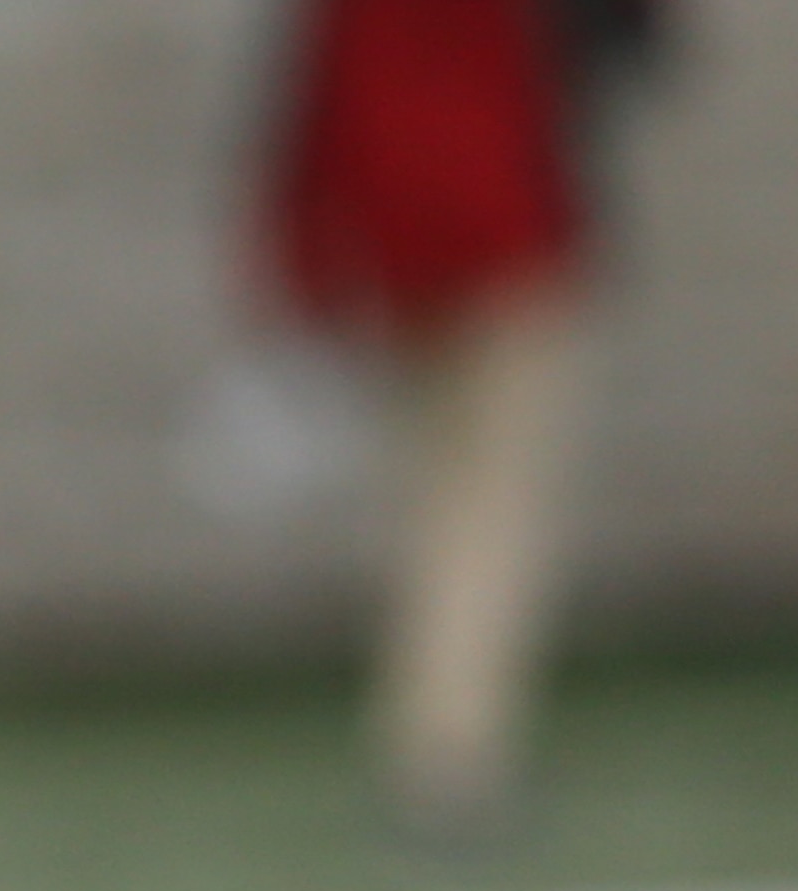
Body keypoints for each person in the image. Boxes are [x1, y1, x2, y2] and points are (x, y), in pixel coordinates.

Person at [258, 0, 682, 830]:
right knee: (495, 504)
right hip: (512, 224)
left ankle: (424, 733)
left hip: (400, 228)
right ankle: (453, 757)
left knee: (435, 493)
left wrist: (306, 259)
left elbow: (306, 106)